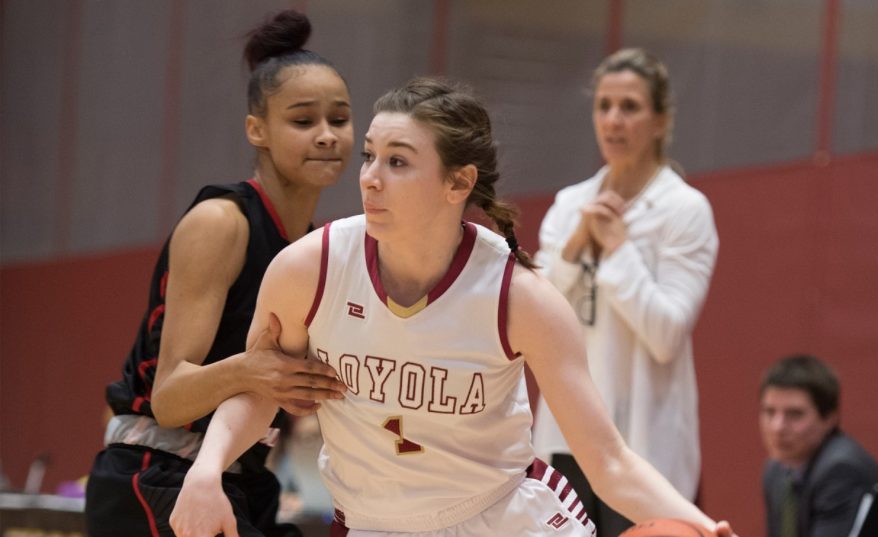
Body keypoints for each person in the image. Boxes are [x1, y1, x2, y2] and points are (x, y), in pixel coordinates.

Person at [168, 77, 735, 537]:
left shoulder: (520, 297)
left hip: (504, 519)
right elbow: (261, 388)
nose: (369, 178)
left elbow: (608, 460)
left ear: (458, 181)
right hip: (373, 523)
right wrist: (207, 468)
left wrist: (706, 527)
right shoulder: (307, 269)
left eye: (398, 162)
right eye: (370, 156)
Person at [84, 11, 350, 537]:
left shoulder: (313, 248)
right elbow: (171, 396)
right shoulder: (220, 222)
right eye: (303, 121)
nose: (326, 135)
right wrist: (255, 369)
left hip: (243, 477)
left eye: (338, 120)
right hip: (154, 473)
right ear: (258, 130)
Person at [531, 47, 718, 536]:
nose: (614, 120)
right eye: (604, 105)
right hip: (563, 435)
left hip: (647, 446)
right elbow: (532, 319)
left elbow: (666, 333)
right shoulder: (569, 205)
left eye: (630, 107)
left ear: (660, 121)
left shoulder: (685, 209)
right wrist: (572, 250)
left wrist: (617, 250)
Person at [759, 354, 878, 537]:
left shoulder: (840, 471)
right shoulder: (775, 470)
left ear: (829, 418)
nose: (778, 427)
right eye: (769, 412)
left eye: (795, 414)